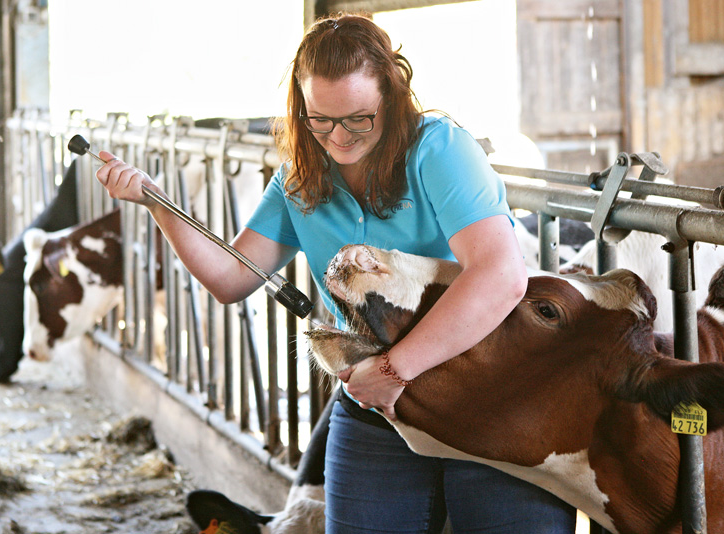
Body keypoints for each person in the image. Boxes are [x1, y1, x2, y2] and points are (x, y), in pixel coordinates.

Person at [95, 13, 576, 534]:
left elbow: (500, 275)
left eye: (358, 118)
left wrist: (394, 371)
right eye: (319, 119)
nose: (339, 136)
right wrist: (159, 204)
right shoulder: (301, 180)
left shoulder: (437, 149)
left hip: (491, 394)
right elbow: (232, 278)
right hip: (379, 410)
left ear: (391, 97)